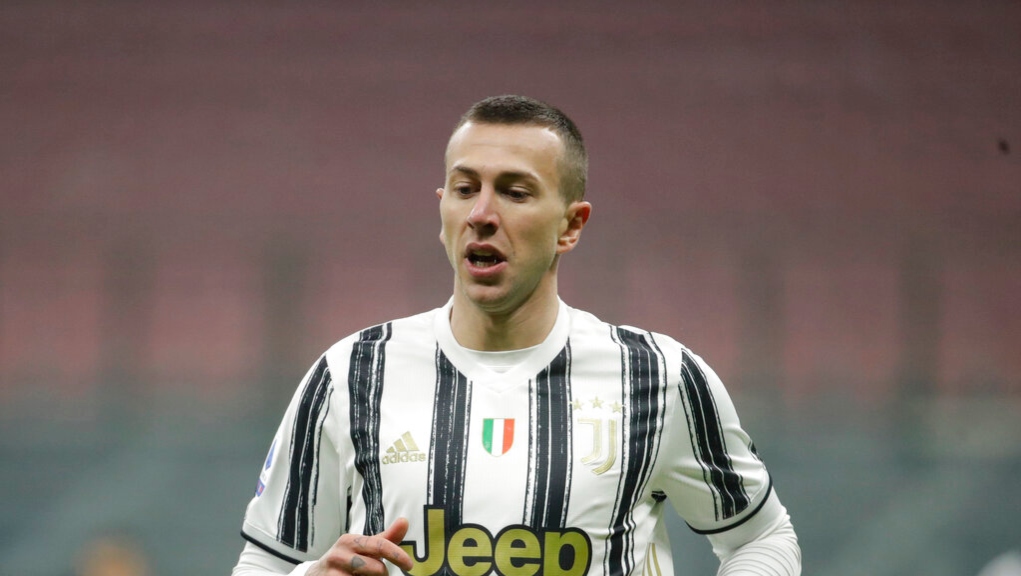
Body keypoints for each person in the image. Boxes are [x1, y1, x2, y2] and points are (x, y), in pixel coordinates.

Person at [231, 95, 801, 576]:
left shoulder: (658, 376)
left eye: (515, 192)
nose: (481, 213)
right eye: (464, 188)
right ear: (443, 211)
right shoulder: (351, 374)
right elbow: (265, 562)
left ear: (571, 225)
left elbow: (761, 537)